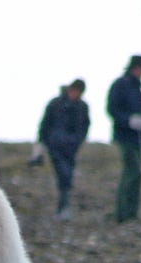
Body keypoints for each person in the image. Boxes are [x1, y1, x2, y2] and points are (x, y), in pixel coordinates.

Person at [37, 80, 91, 220]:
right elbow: (45, 123)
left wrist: (78, 141)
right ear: (70, 89)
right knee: (63, 174)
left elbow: (85, 126)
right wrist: (43, 142)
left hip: (71, 148)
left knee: (67, 176)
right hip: (55, 147)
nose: (76, 94)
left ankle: (64, 206)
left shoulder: (82, 107)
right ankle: (63, 207)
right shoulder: (56, 104)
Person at [106, 55, 141, 223]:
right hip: (124, 137)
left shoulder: (138, 89)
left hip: (137, 139)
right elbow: (112, 109)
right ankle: (123, 214)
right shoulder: (121, 85)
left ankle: (131, 213)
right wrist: (128, 120)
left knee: (136, 174)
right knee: (132, 173)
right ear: (134, 67)